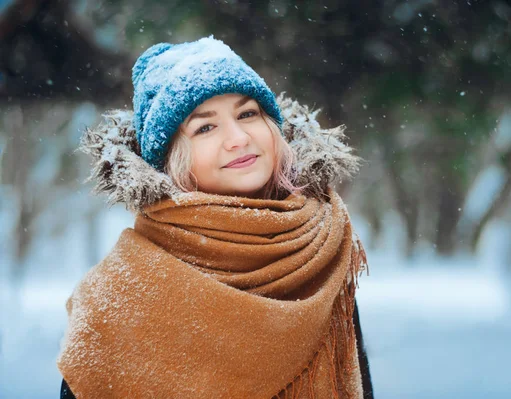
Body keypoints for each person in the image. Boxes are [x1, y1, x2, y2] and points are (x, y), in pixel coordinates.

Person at [57, 36, 373, 398]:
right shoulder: (119, 294)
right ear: (171, 159)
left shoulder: (319, 250)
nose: (238, 138)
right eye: (205, 127)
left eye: (247, 114)